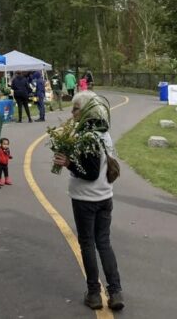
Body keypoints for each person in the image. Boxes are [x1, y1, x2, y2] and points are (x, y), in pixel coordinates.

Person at [51, 91, 124, 311]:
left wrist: (68, 163)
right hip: (105, 196)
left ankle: (94, 293)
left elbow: (90, 172)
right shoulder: (104, 132)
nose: (72, 113)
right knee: (104, 242)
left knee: (87, 244)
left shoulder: (87, 136)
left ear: (84, 111)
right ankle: (115, 290)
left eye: (75, 109)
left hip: (86, 199)